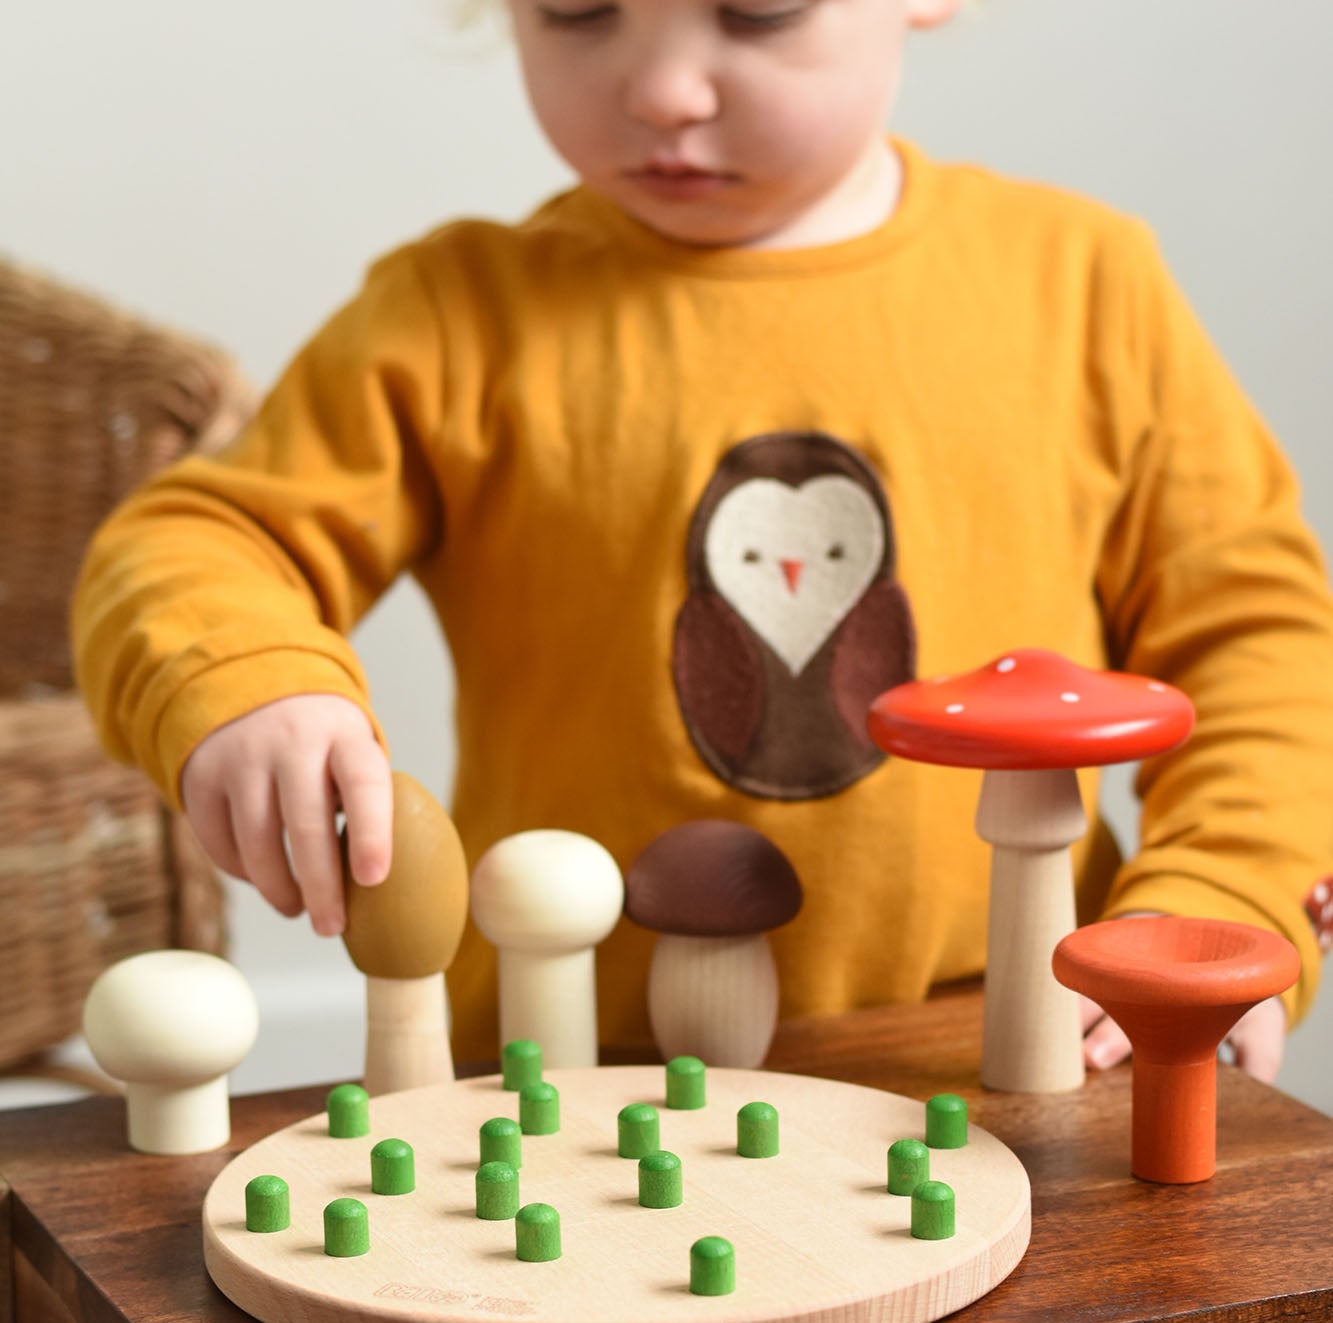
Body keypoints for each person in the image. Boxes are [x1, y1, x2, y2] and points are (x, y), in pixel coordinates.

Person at [72, 0, 1333, 1076]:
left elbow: (1257, 640)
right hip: (566, 1094)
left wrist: (1216, 896)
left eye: (757, 5)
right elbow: (198, 536)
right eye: (575, 6)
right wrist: (241, 681)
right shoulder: (455, 317)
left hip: (1010, 1063)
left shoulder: (1086, 287)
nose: (662, 88)